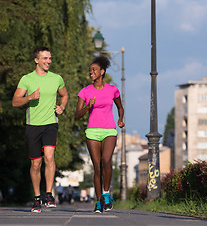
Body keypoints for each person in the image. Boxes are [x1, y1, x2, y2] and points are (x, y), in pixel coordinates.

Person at [12, 47, 69, 213]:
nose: (48, 61)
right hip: (33, 125)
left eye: (50, 58)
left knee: (49, 158)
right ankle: (37, 198)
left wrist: (62, 106)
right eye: (45, 58)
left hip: (51, 123)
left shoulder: (57, 78)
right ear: (36, 60)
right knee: (36, 164)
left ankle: (48, 194)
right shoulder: (27, 79)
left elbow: (64, 95)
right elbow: (15, 102)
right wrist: (29, 97)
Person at [75, 55, 124, 213]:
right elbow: (77, 115)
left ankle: (106, 193)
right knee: (97, 167)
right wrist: (88, 107)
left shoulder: (112, 89)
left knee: (106, 160)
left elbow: (120, 107)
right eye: (90, 70)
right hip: (92, 132)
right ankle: (98, 202)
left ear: (102, 72)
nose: (91, 72)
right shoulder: (85, 91)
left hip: (109, 130)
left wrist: (121, 119)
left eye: (94, 70)